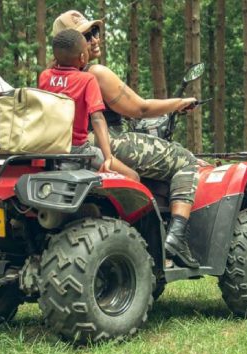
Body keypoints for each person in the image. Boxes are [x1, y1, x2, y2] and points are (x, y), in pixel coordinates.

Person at [52, 10, 206, 268]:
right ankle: (176, 238)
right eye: (87, 36)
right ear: (71, 44)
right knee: (184, 160)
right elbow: (140, 108)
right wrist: (179, 103)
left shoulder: (51, 75)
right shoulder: (95, 73)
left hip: (69, 146)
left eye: (96, 32)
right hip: (103, 141)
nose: (95, 40)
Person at [38, 28, 139, 182]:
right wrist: (108, 157)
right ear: (82, 57)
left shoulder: (45, 76)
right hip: (78, 149)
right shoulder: (87, 79)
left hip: (49, 149)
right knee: (133, 177)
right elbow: (97, 118)